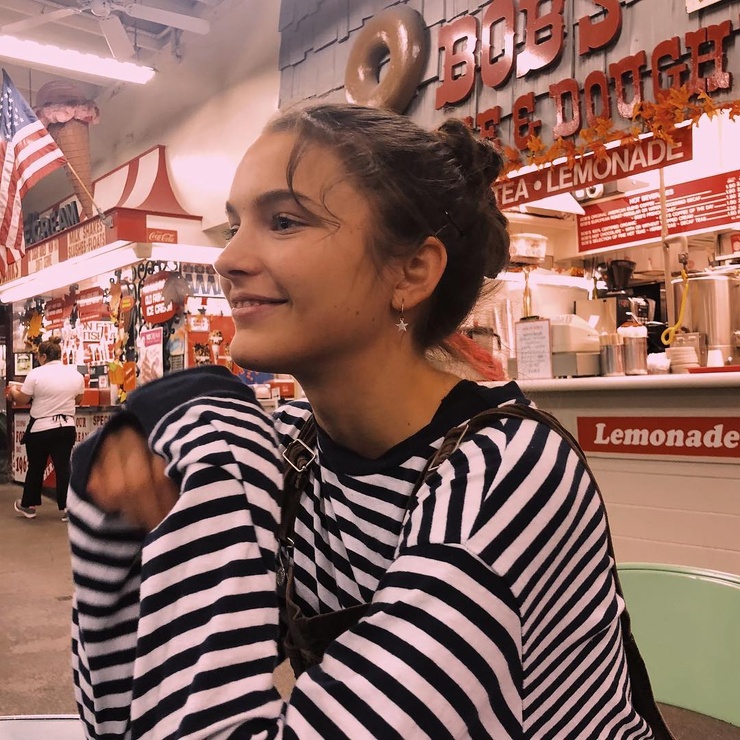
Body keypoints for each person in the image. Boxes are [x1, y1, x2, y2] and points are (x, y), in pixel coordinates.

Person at [68, 104, 663, 738]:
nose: (229, 258)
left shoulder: (507, 473)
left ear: (411, 272)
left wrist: (214, 459)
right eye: (236, 225)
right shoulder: (293, 450)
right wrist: (142, 459)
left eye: (284, 221)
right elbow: (117, 710)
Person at [10, 337, 84, 521]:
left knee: (36, 467)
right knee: (63, 467)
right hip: (66, 426)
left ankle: (29, 506)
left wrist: (12, 392)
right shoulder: (75, 375)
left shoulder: (35, 374)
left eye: (38, 356)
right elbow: (78, 399)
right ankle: (68, 508)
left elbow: (22, 399)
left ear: (43, 356)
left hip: (40, 428)